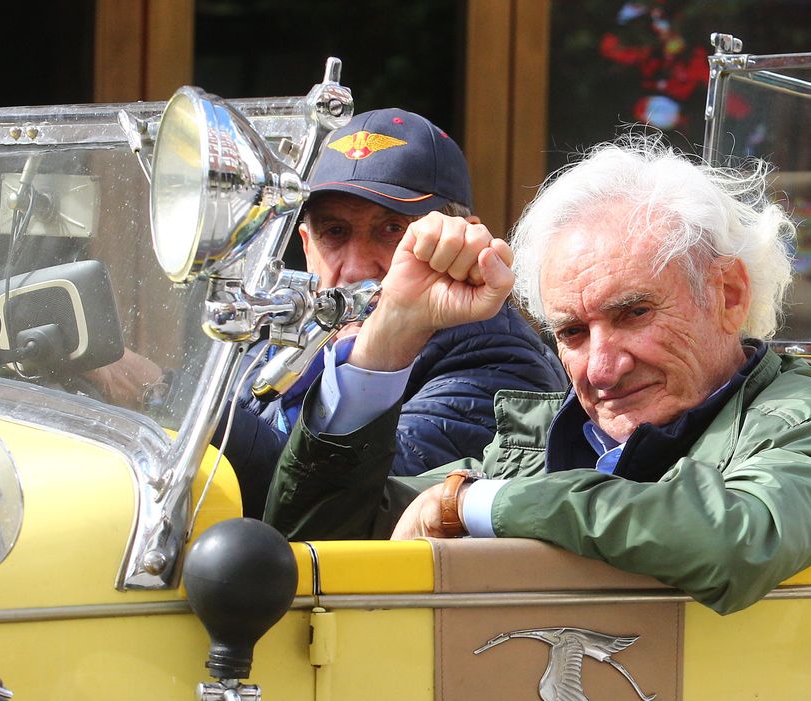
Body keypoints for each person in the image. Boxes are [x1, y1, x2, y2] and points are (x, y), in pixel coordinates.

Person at [264, 138, 811, 615]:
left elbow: (736, 539)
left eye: (634, 314)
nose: (602, 368)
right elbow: (319, 543)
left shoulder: (799, 428)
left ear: (727, 295)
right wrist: (391, 334)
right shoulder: (546, 435)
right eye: (572, 333)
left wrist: (477, 504)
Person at [215, 108, 566, 516]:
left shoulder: (501, 363)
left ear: (463, 242)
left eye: (392, 229)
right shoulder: (270, 344)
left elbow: (352, 507)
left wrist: (208, 426)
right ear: (307, 247)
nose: (357, 268)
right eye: (335, 232)